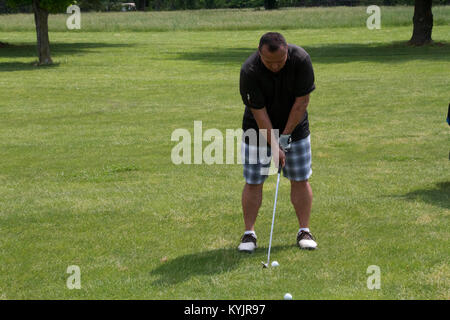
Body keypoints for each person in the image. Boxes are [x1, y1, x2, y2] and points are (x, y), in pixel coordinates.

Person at [238, 32, 317, 253]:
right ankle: (249, 234)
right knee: (254, 180)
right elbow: (259, 113)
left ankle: (304, 230)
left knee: (300, 178)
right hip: (257, 130)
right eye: (269, 62)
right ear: (259, 54)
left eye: (280, 62)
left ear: (286, 52)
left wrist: (284, 139)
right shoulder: (250, 70)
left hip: (296, 128)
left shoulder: (301, 60)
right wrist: (274, 146)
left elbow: (302, 102)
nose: (275, 67)